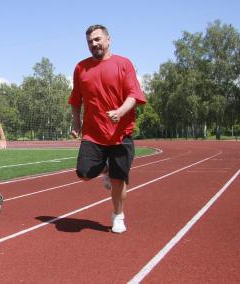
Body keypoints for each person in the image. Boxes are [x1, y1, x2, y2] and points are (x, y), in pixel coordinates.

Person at [69, 25, 146, 233]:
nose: (94, 44)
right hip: (93, 134)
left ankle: (118, 215)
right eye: (89, 41)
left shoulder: (124, 64)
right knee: (84, 173)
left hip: (121, 133)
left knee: (118, 179)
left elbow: (134, 95)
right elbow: (76, 100)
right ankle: (105, 169)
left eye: (97, 39)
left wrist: (120, 112)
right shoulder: (80, 68)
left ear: (108, 40)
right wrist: (76, 123)